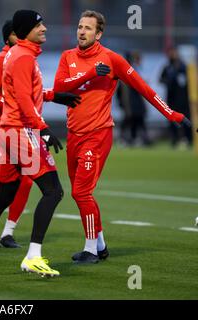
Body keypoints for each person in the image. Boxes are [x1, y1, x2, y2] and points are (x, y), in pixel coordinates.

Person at [53, 10, 192, 264]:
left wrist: (171, 114)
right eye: (80, 26)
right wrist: (90, 73)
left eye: (87, 28)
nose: (81, 31)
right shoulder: (67, 57)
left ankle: (91, 250)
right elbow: (60, 88)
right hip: (73, 135)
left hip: (98, 134)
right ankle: (101, 245)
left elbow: (144, 88)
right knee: (77, 193)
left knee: (83, 192)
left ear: (99, 34)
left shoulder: (112, 59)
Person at [0, 10, 66, 279]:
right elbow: (22, 99)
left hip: (8, 132)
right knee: (53, 192)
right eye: (38, 25)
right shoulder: (22, 57)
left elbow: (25, 95)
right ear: (25, 29)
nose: (44, 28)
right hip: (20, 131)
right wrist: (43, 129)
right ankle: (33, 256)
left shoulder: (21, 55)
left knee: (4, 194)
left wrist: (53, 97)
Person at [160, 47, 193, 148]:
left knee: (186, 118)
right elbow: (161, 79)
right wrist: (168, 82)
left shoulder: (183, 66)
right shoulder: (167, 67)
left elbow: (188, 82)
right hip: (172, 99)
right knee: (172, 120)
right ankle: (174, 139)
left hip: (183, 99)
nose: (172, 55)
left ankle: (188, 139)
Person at [116, 51, 151, 147]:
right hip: (130, 101)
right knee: (131, 120)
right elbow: (122, 90)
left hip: (133, 101)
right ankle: (127, 139)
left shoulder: (131, 70)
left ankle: (133, 139)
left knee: (135, 119)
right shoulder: (128, 70)